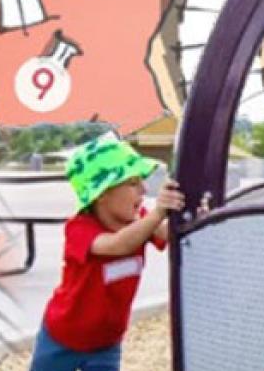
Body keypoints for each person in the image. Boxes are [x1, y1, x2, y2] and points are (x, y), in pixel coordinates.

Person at [30, 138, 185, 371]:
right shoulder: (80, 229)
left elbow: (170, 235)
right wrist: (156, 214)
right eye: (133, 183)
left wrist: (183, 208)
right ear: (101, 193)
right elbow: (117, 245)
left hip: (106, 342)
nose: (144, 190)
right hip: (63, 338)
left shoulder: (139, 219)